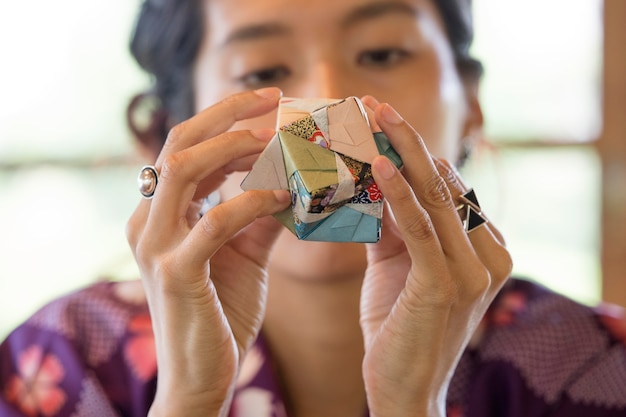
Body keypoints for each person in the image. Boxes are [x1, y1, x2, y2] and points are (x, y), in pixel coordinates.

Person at [1, 0, 625, 416]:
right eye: (263, 69)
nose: (328, 104)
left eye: (381, 54)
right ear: (170, 126)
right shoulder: (59, 362)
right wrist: (189, 397)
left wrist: (412, 403)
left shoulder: (598, 366)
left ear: (472, 102)